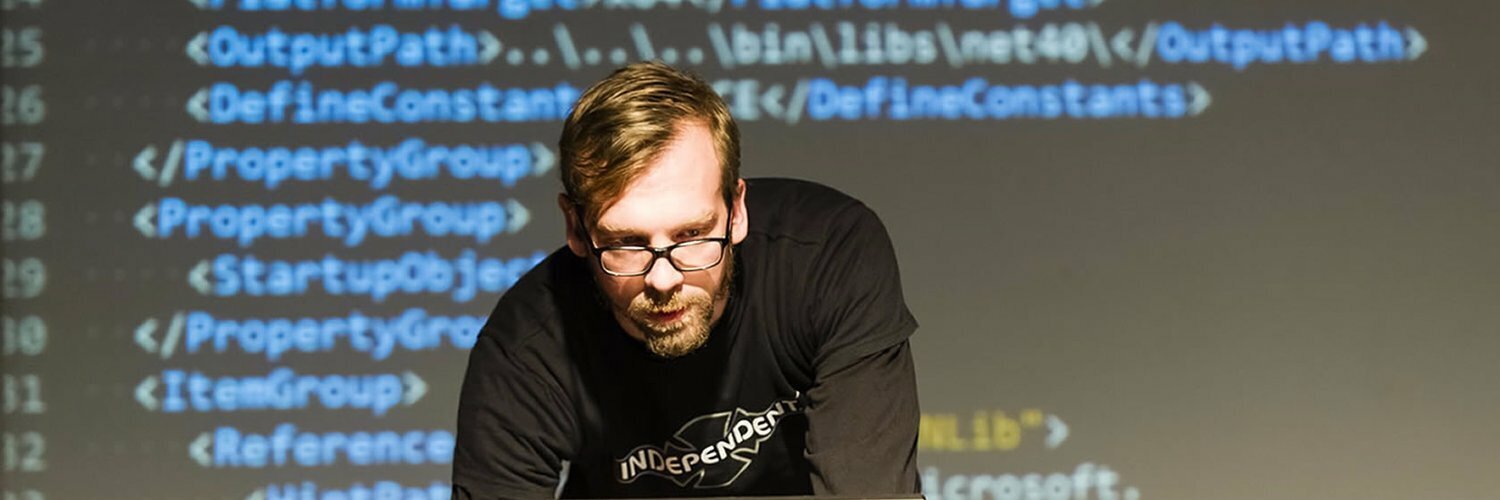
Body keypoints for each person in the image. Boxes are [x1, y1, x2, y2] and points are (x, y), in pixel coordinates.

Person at [452, 61, 920, 499]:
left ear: (736, 211)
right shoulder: (526, 346)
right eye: (628, 242)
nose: (663, 278)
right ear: (576, 228)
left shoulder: (825, 258)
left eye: (691, 235)